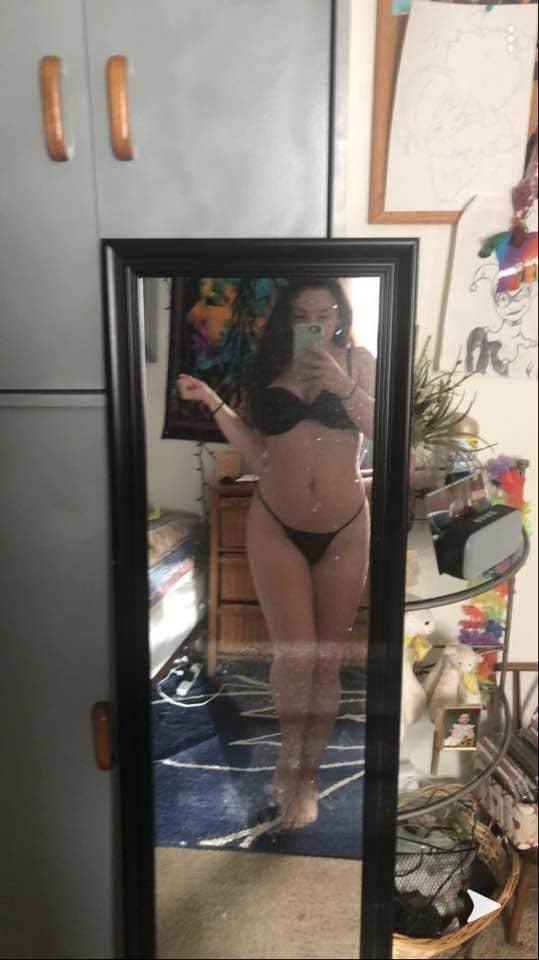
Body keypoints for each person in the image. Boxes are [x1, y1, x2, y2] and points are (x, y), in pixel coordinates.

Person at [177, 279, 375, 829]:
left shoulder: (359, 361)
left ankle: (308, 776)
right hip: (276, 524)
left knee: (327, 659)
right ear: (287, 318)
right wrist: (213, 402)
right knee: (295, 655)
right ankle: (290, 759)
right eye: (302, 312)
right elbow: (257, 452)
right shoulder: (265, 370)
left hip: (345, 527)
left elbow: (386, 427)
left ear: (340, 315)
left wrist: (342, 384)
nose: (315, 320)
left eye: (325, 311)